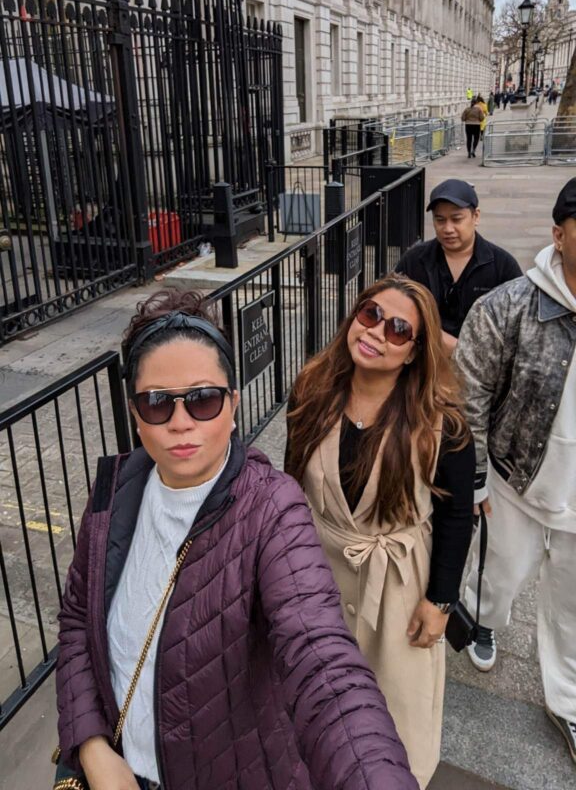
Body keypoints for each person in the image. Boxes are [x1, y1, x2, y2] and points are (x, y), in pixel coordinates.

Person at [55, 289, 419, 790]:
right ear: (135, 414)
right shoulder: (114, 494)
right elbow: (76, 619)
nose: (181, 422)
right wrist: (93, 747)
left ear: (233, 404)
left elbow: (322, 661)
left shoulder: (272, 509)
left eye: (203, 399)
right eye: (158, 403)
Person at [285, 275, 475, 789]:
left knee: (395, 705)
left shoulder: (441, 423)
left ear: (415, 351)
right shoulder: (311, 389)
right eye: (369, 314)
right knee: (314, 695)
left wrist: (439, 601)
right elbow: (289, 483)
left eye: (397, 329)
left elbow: (458, 516)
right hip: (317, 573)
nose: (375, 332)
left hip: (398, 582)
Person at [455, 177, 576, 766]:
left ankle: (568, 702)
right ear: (559, 233)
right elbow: (469, 395)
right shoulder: (508, 305)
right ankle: (481, 620)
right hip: (516, 479)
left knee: (573, 607)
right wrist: (475, 476)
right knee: (496, 577)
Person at [395, 179, 522, 356]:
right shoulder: (414, 261)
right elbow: (394, 308)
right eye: (440, 220)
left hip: (482, 369)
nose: (448, 229)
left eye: (456, 219)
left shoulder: (503, 266)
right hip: (422, 365)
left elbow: (518, 327)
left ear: (475, 216)